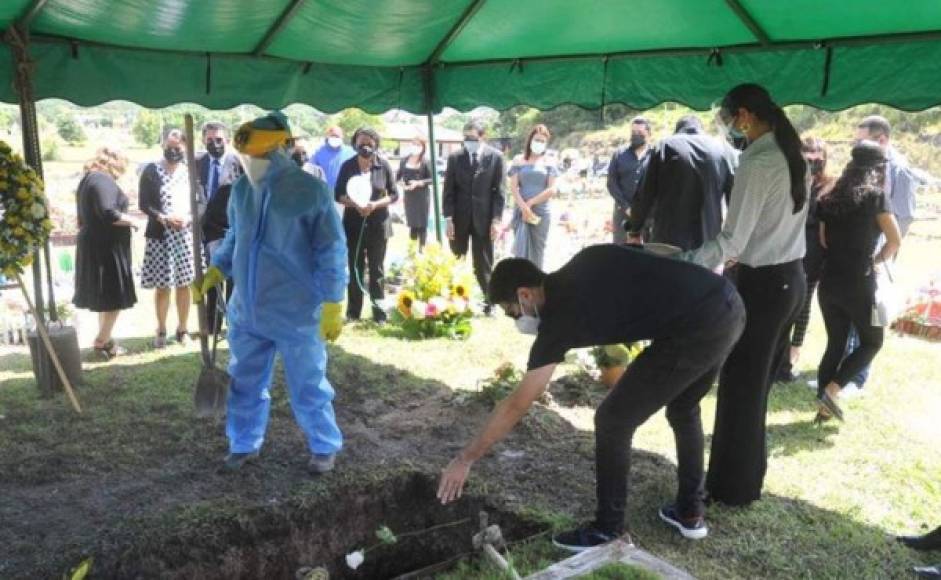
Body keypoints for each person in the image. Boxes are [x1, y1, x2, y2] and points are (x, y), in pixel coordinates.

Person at [437, 246, 746, 549]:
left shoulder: (559, 320)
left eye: (512, 312)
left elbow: (518, 403)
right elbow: (657, 250)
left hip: (696, 326)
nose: (516, 319)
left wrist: (465, 458)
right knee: (684, 408)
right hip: (727, 301)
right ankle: (689, 511)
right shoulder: (586, 258)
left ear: (525, 294)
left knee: (613, 420)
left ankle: (608, 529)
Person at [191, 111, 348, 473]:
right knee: (244, 381)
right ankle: (243, 443)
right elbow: (236, 237)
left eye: (260, 156)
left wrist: (332, 302)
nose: (252, 163)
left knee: (308, 383)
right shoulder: (243, 190)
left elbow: (332, 250)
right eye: (248, 157)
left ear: (281, 150)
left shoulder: (311, 192)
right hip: (247, 309)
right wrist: (218, 268)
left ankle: (324, 445)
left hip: (297, 309)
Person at [681, 83, 808, 506]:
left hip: (767, 284)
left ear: (746, 116)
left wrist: (686, 260)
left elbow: (732, 241)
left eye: (730, 118)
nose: (729, 127)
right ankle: (744, 480)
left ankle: (731, 489)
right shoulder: (789, 152)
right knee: (753, 388)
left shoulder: (761, 160)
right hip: (788, 278)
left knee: (740, 387)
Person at [812, 142, 901, 422]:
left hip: (829, 282)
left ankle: (824, 408)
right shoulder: (876, 198)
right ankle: (833, 389)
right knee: (872, 341)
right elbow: (894, 240)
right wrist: (874, 261)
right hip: (860, 283)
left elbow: (823, 240)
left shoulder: (829, 197)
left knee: (835, 343)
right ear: (878, 168)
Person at [841, 115, 919, 393]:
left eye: (861, 140)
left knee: (868, 322)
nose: (855, 146)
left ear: (882, 139)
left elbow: (904, 217)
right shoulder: (864, 167)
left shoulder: (898, 171)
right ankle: (843, 373)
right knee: (851, 317)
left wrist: (881, 255)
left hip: (876, 258)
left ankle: (856, 379)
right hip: (856, 257)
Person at [626, 115, 735, 250]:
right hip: (709, 241)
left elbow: (644, 194)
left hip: (668, 241)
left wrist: (635, 230)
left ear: (678, 130)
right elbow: (734, 198)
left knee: (669, 271)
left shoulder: (664, 146)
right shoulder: (721, 150)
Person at [73, 147, 141, 358]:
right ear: (114, 162)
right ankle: (101, 341)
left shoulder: (87, 180)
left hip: (96, 244)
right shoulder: (102, 180)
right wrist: (134, 221)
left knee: (105, 297)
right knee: (113, 296)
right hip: (106, 248)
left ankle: (106, 340)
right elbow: (108, 212)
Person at [776, 137, 833, 382]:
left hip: (812, 254)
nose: (812, 158)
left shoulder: (830, 184)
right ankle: (778, 355)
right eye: (807, 153)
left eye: (817, 154)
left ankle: (791, 356)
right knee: (782, 304)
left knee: (803, 306)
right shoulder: (789, 179)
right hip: (786, 250)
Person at [139, 128, 197, 348]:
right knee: (163, 286)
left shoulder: (189, 171)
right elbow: (144, 203)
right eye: (170, 147)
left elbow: (199, 201)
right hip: (161, 235)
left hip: (184, 235)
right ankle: (161, 328)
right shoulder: (151, 171)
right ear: (163, 146)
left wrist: (188, 218)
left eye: (178, 148)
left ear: (184, 148)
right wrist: (163, 218)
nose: (174, 151)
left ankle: (183, 329)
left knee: (185, 284)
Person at [335, 127, 398, 323]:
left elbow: (394, 194)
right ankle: (353, 312)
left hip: (378, 225)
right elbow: (338, 194)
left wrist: (374, 205)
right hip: (354, 225)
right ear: (355, 144)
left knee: (377, 269)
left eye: (369, 144)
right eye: (361, 143)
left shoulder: (384, 166)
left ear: (376, 145)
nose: (365, 147)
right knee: (355, 268)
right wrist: (356, 204)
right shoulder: (347, 166)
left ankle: (379, 313)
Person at [442, 120, 506, 309]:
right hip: (459, 219)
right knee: (457, 261)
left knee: (483, 265)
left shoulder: (496, 157)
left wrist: (496, 220)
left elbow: (500, 192)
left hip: (484, 220)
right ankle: (456, 303)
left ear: (482, 136)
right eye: (465, 138)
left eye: (472, 138)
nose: (468, 141)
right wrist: (448, 219)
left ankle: (490, 303)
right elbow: (448, 191)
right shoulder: (455, 157)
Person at [195, 121, 242, 334]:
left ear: (228, 141)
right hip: (207, 228)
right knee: (212, 276)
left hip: (231, 227)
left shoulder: (239, 163)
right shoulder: (196, 163)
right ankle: (212, 324)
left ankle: (234, 323)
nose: (215, 144)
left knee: (232, 276)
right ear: (204, 140)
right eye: (210, 140)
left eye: (219, 140)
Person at [509, 124, 558, 268]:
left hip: (541, 212)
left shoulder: (549, 161)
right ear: (530, 140)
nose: (539, 143)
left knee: (538, 250)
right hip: (521, 211)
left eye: (543, 141)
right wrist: (523, 207)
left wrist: (530, 203)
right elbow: (513, 187)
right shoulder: (518, 160)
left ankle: (538, 282)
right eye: (537, 140)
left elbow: (552, 189)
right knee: (521, 250)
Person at [606, 117, 652, 243]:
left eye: (640, 133)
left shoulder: (656, 154)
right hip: (623, 213)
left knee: (650, 253)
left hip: (648, 215)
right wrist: (626, 207)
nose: (636, 136)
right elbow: (611, 183)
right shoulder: (619, 154)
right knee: (621, 253)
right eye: (633, 133)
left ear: (648, 134)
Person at [396, 133, 433, 249]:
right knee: (412, 224)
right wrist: (402, 184)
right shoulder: (404, 160)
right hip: (409, 196)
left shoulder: (426, 161)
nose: (415, 146)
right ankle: (412, 250)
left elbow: (432, 179)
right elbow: (397, 178)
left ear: (423, 147)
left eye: (418, 144)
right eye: (413, 144)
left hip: (422, 196)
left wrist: (418, 183)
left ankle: (422, 249)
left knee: (422, 224)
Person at [307, 125, 355, 194]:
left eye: (337, 136)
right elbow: (309, 170)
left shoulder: (351, 152)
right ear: (327, 137)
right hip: (325, 194)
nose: (334, 138)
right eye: (332, 136)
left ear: (342, 137)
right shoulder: (319, 152)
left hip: (345, 195)